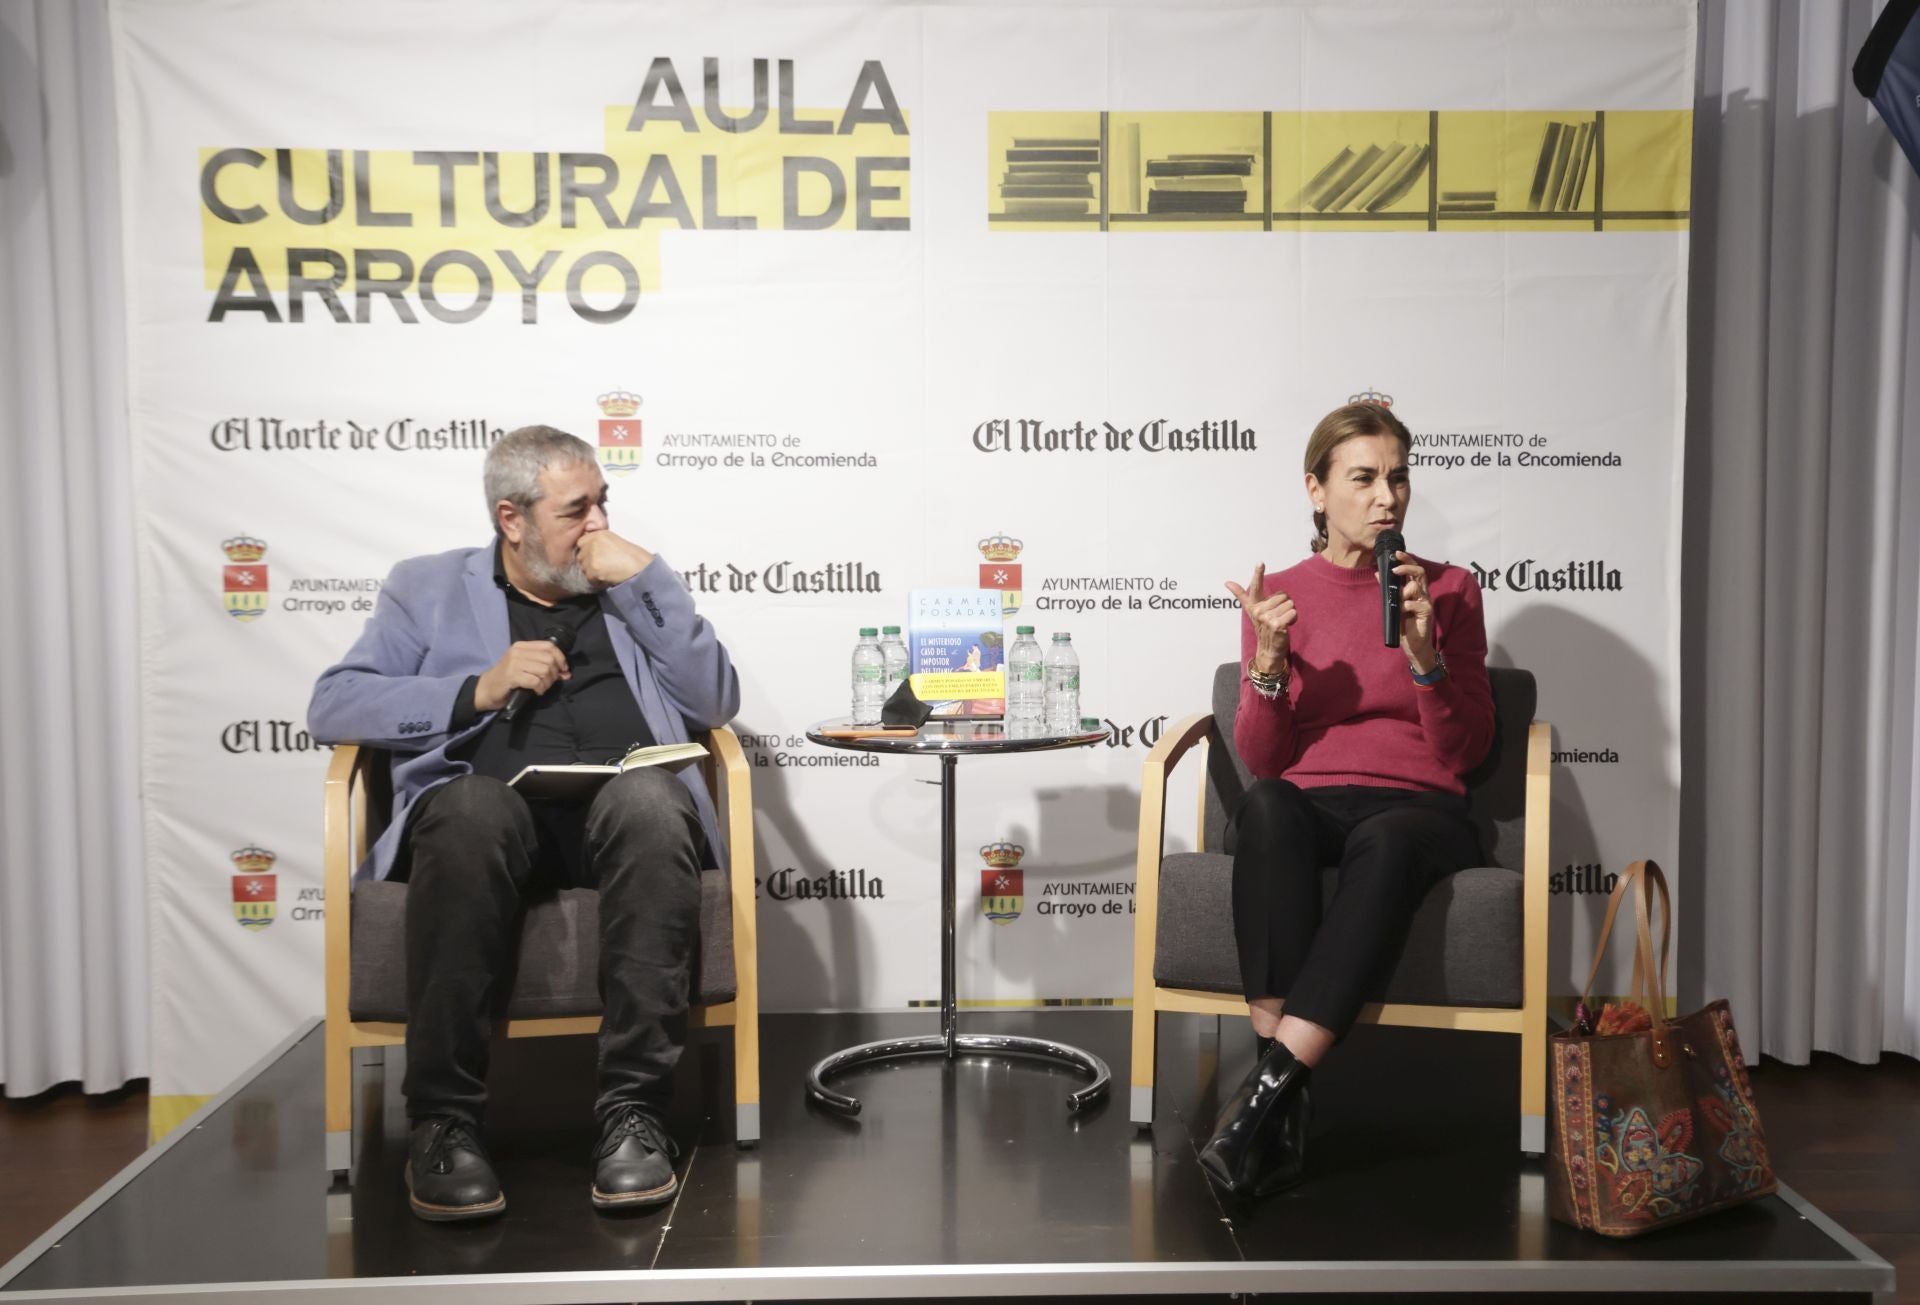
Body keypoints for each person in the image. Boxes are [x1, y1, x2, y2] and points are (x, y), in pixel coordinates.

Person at [309, 425, 739, 1222]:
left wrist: (649, 578)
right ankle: (443, 1122)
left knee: (649, 798)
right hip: (491, 822)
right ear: (513, 520)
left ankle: (633, 1115)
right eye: (578, 509)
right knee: (473, 803)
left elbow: (714, 700)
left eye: (604, 502)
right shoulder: (428, 587)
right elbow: (333, 703)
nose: (599, 524)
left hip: (620, 821)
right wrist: (475, 688)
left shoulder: (625, 588)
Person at [1201, 401, 1494, 1198]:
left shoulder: (1450, 590)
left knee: (1390, 840)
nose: (1386, 497)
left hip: (1419, 810)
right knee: (1262, 810)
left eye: (1397, 477)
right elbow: (1264, 761)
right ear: (1317, 490)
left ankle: (1260, 1100)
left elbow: (1465, 752)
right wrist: (1267, 656)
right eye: (1363, 478)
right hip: (1315, 800)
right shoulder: (1281, 595)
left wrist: (1428, 655)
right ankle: (1279, 1102)